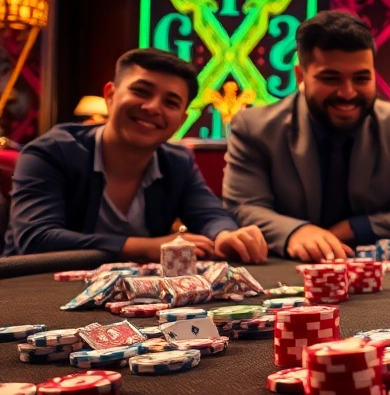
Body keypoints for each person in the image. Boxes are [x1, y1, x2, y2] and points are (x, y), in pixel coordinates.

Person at [3, 48, 266, 262]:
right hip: (34, 290)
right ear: (110, 95)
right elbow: (36, 239)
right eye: (141, 91)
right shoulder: (50, 152)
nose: (152, 107)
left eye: (171, 103)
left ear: (182, 119)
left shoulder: (177, 161)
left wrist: (225, 235)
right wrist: (146, 247)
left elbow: (209, 214)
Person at [223, 10, 390, 261]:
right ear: (300, 76)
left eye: (361, 78)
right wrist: (297, 232)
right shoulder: (255, 128)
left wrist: (350, 229)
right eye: (331, 78)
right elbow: (243, 208)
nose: (348, 93)